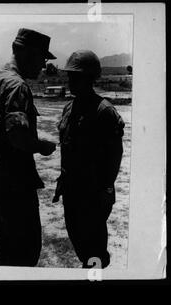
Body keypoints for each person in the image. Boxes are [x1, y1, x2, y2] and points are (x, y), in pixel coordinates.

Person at [0, 28, 56, 266]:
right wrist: (42, 146)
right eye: (42, 58)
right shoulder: (16, 86)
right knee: (25, 254)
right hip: (13, 185)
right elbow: (17, 136)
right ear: (28, 53)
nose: (43, 65)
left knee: (6, 251)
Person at [53, 50, 125, 268]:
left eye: (77, 76)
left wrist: (105, 190)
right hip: (72, 192)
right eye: (70, 76)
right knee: (81, 246)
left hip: (92, 195)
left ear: (90, 78)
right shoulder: (69, 107)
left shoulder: (104, 111)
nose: (71, 80)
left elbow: (114, 156)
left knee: (94, 252)